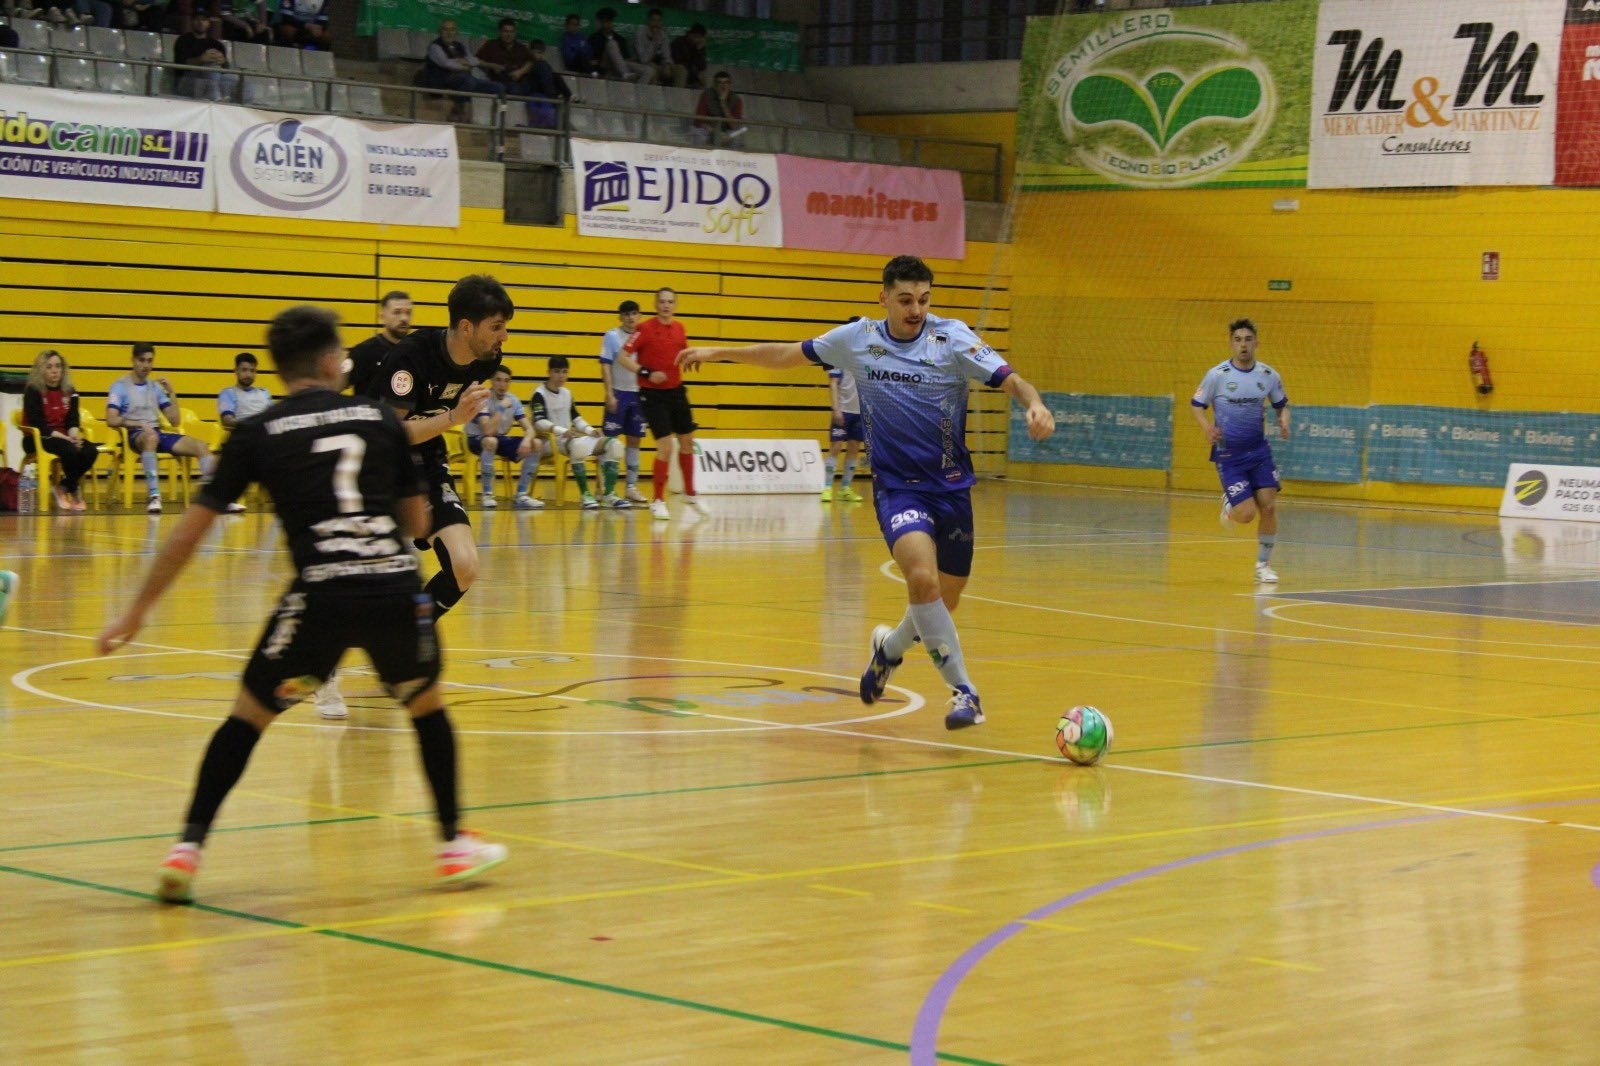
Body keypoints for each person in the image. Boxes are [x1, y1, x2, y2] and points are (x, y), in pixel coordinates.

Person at [96, 305, 507, 904]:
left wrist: (135, 612)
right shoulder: (376, 417)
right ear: (329, 361)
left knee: (247, 717)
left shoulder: (259, 431)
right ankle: (452, 845)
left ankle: (188, 847)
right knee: (425, 705)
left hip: (320, 594)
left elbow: (190, 532)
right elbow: (418, 520)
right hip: (393, 585)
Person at [679, 255, 1056, 730]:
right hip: (898, 490)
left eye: (923, 299)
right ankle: (965, 693)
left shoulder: (951, 338)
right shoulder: (858, 340)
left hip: (952, 487)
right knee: (922, 581)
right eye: (905, 300)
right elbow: (785, 354)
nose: (915, 309)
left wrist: (1035, 404)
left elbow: (1013, 381)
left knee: (943, 601)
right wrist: (717, 352)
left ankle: (889, 649)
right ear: (883, 299)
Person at [313, 275, 504, 721]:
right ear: (465, 326)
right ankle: (325, 672)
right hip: (378, 466)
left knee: (465, 565)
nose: (503, 337)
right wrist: (455, 417)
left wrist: (466, 421)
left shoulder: (485, 361)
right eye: (496, 327)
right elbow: (391, 434)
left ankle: (401, 643)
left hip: (427, 462)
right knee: (363, 577)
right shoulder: (409, 359)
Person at [1191, 318, 1289, 583]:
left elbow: (1281, 404)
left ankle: (1263, 566)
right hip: (1229, 454)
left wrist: (1283, 419)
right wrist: (1206, 427)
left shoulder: (1268, 375)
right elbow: (1197, 404)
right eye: (1238, 340)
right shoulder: (1217, 375)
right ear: (1231, 344)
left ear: (1256, 343)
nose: (1243, 345)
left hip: (1259, 452)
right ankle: (1229, 504)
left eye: (1248, 339)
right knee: (1246, 515)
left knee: (1268, 507)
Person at [106, 342, 220, 514]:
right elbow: (111, 419)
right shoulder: (120, 386)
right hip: (134, 434)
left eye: (150, 361)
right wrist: (137, 423)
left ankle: (217, 497)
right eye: (142, 360)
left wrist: (171, 393)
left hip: (156, 433)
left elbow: (174, 421)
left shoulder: (155, 388)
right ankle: (154, 496)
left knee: (201, 446)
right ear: (133, 360)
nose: (146, 365)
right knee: (151, 438)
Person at [625, 287, 706, 521]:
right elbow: (622, 357)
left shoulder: (680, 328)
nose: (666, 305)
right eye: (662, 301)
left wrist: (692, 359)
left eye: (670, 302)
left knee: (687, 441)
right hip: (652, 395)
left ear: (675, 305)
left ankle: (691, 493)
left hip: (676, 392)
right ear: (656, 304)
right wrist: (646, 372)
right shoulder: (644, 329)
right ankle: (658, 500)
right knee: (666, 447)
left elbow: (682, 352)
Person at [530, 356, 615, 510]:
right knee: (577, 445)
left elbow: (576, 418)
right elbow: (539, 422)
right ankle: (585, 495)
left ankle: (605, 492)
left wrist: (591, 431)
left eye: (564, 372)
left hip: (568, 440)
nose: (561, 376)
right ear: (548, 372)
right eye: (557, 372)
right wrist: (563, 431)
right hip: (548, 442)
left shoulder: (567, 393)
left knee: (604, 444)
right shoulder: (539, 394)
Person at [21, 349, 99, 512]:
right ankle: (73, 488)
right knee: (69, 449)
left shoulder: (71, 391)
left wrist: (73, 436)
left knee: (90, 450)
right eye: (49, 367)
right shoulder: (33, 390)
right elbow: (38, 423)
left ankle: (64, 487)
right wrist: (66, 439)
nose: (54, 370)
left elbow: (72, 419)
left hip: (63, 436)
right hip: (37, 437)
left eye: (58, 366)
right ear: (41, 369)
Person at [467, 366, 543, 510]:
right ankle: (487, 494)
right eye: (498, 380)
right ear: (491, 381)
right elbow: (488, 431)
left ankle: (521, 495)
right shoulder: (482, 399)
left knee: (537, 444)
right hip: (476, 439)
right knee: (491, 441)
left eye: (506, 381)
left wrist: (527, 440)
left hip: (499, 439)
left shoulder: (513, 400)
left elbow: (530, 428)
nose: (502, 385)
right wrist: (501, 408)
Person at [598, 299, 649, 505]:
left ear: (639, 316)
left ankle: (631, 487)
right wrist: (610, 394)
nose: (630, 317)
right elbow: (605, 366)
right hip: (618, 393)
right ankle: (603, 487)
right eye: (626, 314)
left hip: (638, 395)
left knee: (635, 440)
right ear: (620, 317)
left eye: (634, 313)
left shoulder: (644, 337)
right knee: (609, 441)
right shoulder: (612, 336)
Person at [420, 18, 503, 121]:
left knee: (498, 87)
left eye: (452, 30)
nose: (449, 33)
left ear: (456, 32)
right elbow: (446, 63)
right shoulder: (435, 46)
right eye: (446, 30)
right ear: (440, 32)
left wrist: (492, 65)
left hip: (465, 80)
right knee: (467, 80)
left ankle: (499, 121)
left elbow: (472, 60)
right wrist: (464, 66)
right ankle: (458, 111)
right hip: (442, 80)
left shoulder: (459, 46)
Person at [346, 291, 414, 398]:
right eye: (397, 312)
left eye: (408, 313)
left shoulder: (417, 353)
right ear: (382, 316)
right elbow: (334, 387)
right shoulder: (363, 351)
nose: (404, 318)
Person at [820, 364, 863, 503]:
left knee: (854, 449)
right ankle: (827, 488)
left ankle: (845, 489)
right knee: (836, 447)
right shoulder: (840, 357)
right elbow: (833, 384)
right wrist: (836, 409)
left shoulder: (866, 356)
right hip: (843, 411)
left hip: (860, 412)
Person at [173, 15, 235, 101]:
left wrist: (223, 61)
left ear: (208, 23)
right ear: (192, 22)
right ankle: (216, 100)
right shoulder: (183, 40)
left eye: (204, 20)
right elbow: (180, 65)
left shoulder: (217, 44)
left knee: (246, 86)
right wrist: (201, 60)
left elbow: (226, 69)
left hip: (213, 80)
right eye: (197, 19)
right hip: (187, 81)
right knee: (210, 67)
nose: (201, 23)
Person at [589, 6, 654, 84]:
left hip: (619, 66)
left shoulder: (620, 39)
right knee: (611, 43)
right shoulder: (594, 38)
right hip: (605, 67)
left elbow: (625, 58)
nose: (609, 24)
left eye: (610, 21)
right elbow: (593, 61)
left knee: (649, 71)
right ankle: (625, 74)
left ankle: (638, 93)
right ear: (601, 22)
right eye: (606, 21)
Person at [476, 17, 535, 98]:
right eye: (506, 31)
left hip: (518, 82)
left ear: (515, 33)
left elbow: (531, 61)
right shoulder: (491, 45)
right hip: (498, 81)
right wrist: (492, 65)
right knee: (504, 89)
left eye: (512, 32)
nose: (509, 35)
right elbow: (476, 60)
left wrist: (520, 72)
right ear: (500, 32)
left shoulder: (521, 48)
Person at [217, 352, 273, 431]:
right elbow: (227, 420)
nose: (248, 375)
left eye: (252, 370)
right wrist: (254, 425)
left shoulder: (264, 392)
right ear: (236, 371)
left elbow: (274, 417)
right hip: (243, 437)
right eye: (244, 370)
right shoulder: (227, 393)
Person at [525, 39, 572, 129]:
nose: (537, 55)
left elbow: (554, 79)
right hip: (537, 94)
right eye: (535, 52)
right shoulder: (532, 64)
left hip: (545, 95)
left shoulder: (544, 65)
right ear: (530, 52)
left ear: (543, 53)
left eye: (539, 53)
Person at [634, 7, 686, 88]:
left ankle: (677, 97)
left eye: (659, 21)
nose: (656, 24)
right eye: (653, 20)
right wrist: (654, 40)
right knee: (651, 68)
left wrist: (667, 65)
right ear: (648, 21)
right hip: (643, 65)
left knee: (680, 69)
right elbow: (643, 59)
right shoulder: (640, 33)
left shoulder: (663, 34)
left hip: (660, 66)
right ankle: (653, 96)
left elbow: (667, 54)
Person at [694, 71, 745, 149]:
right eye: (720, 83)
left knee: (737, 135)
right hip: (709, 129)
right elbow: (699, 120)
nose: (723, 86)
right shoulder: (706, 95)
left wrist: (723, 104)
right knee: (699, 134)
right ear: (715, 85)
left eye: (726, 83)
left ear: (730, 85)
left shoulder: (736, 100)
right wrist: (715, 133)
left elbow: (735, 126)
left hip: (727, 132)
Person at [560, 12, 600, 78]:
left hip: (585, 64)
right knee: (580, 55)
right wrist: (580, 49)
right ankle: (593, 73)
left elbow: (589, 52)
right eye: (572, 24)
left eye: (577, 25)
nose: (574, 27)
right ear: (567, 25)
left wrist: (576, 48)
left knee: (596, 61)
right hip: (572, 66)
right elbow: (568, 57)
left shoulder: (581, 37)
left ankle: (594, 73)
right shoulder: (565, 38)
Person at [670, 23, 708, 90]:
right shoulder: (680, 42)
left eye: (700, 37)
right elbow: (679, 61)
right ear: (690, 35)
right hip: (674, 68)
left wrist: (699, 50)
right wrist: (695, 73)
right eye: (696, 37)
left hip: (690, 72)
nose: (698, 39)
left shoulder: (698, 46)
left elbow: (702, 67)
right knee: (682, 70)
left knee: (703, 79)